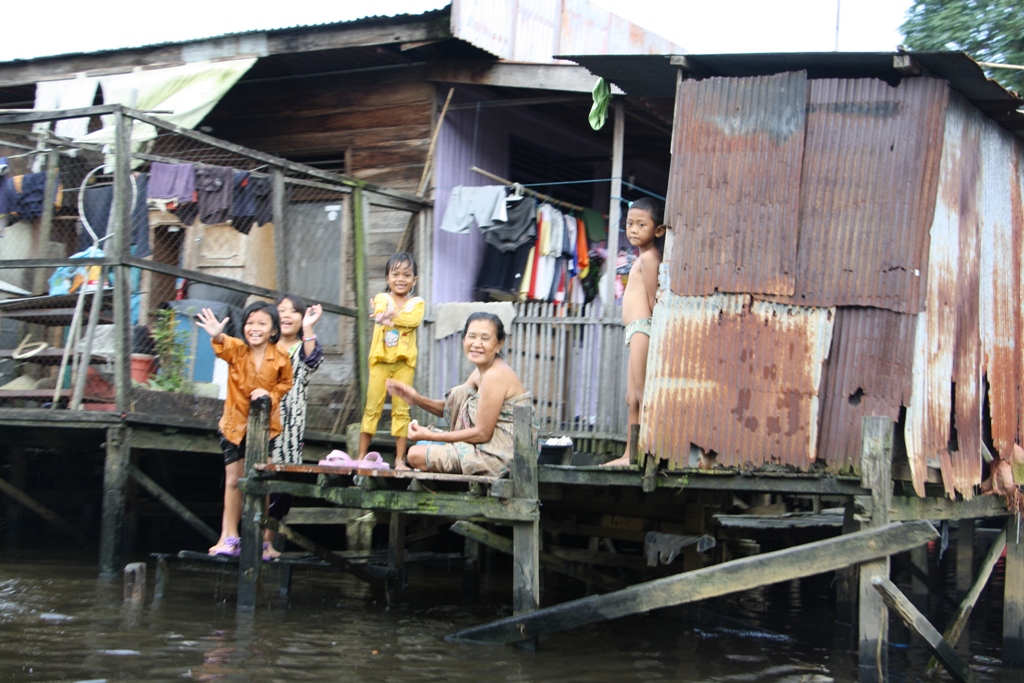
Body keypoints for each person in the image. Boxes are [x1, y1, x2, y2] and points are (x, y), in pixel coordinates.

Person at [387, 312, 536, 477]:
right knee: (461, 393)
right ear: (464, 340)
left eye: (485, 338)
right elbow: (454, 406)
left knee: (415, 454)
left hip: (501, 456)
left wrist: (430, 435)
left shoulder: (495, 375)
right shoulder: (481, 372)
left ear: (499, 344)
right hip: (485, 446)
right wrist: (417, 399)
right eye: (472, 336)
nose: (476, 344)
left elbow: (482, 433)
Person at [197, 302, 293, 557]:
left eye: (262, 323)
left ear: (273, 330)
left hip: (264, 429)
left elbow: (286, 383)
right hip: (233, 425)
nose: (255, 328)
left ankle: (262, 539)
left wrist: (269, 395)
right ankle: (229, 536)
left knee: (261, 482)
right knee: (232, 481)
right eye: (250, 323)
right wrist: (217, 333)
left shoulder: (281, 356)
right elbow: (222, 345)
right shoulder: (238, 350)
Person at [603, 197, 666, 467]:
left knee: (642, 394)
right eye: (630, 224)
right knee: (632, 398)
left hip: (644, 328)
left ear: (658, 230)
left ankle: (646, 452)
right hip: (634, 329)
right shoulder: (640, 257)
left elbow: (654, 300)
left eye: (642, 224)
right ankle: (630, 455)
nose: (633, 230)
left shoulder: (651, 257)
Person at [261, 294, 323, 560]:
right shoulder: (264, 347)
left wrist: (309, 327)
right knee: (258, 478)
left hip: (289, 429)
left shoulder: (303, 348)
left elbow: (314, 361)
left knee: (282, 485)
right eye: (281, 310)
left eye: (293, 312)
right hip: (261, 424)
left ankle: (266, 541)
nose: (286, 315)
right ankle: (247, 537)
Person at [358, 252, 425, 468]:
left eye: (407, 275)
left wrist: (391, 317)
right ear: (387, 278)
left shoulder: (417, 302)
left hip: (404, 362)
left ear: (414, 280)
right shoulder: (382, 298)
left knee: (401, 410)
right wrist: (382, 316)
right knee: (372, 407)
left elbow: (413, 321)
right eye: (395, 274)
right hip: (380, 360)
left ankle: (399, 460)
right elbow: (379, 311)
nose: (400, 279)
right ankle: (360, 457)